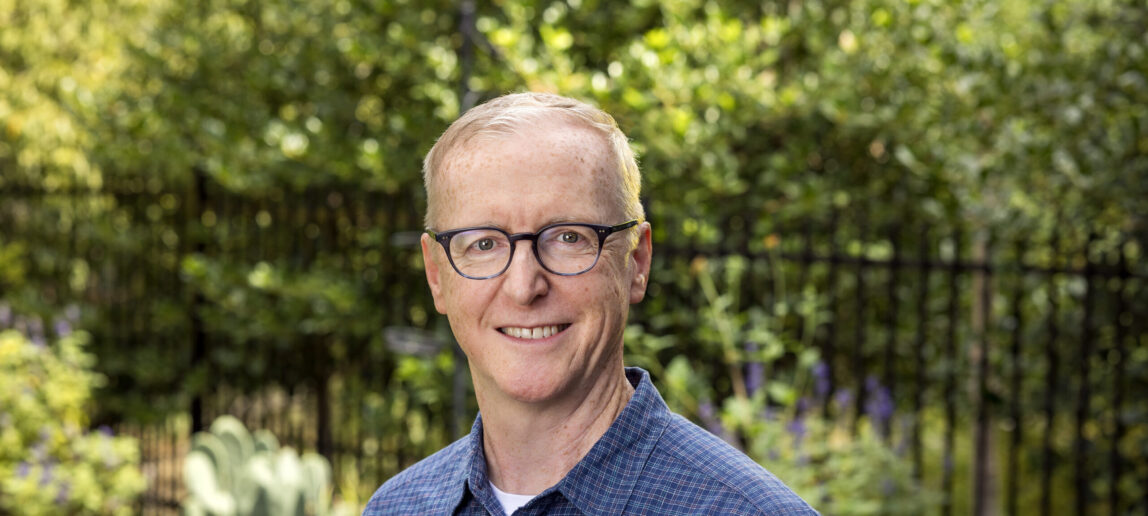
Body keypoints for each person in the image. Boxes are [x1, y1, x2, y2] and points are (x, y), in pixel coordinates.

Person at [363, 92, 816, 515]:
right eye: (483, 244)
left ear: (637, 260)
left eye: (567, 237)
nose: (524, 287)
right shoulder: (397, 507)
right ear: (436, 275)